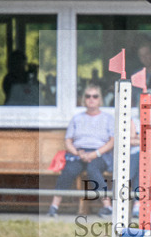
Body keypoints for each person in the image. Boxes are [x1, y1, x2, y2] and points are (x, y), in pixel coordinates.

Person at [48, 85, 114, 218]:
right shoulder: (76, 118)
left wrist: (96, 154)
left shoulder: (108, 118)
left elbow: (112, 141)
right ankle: (54, 206)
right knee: (69, 170)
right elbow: (68, 141)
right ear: (84, 99)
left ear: (100, 100)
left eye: (95, 96)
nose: (91, 99)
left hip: (100, 153)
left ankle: (108, 207)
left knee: (93, 169)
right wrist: (78, 153)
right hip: (78, 153)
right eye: (88, 96)